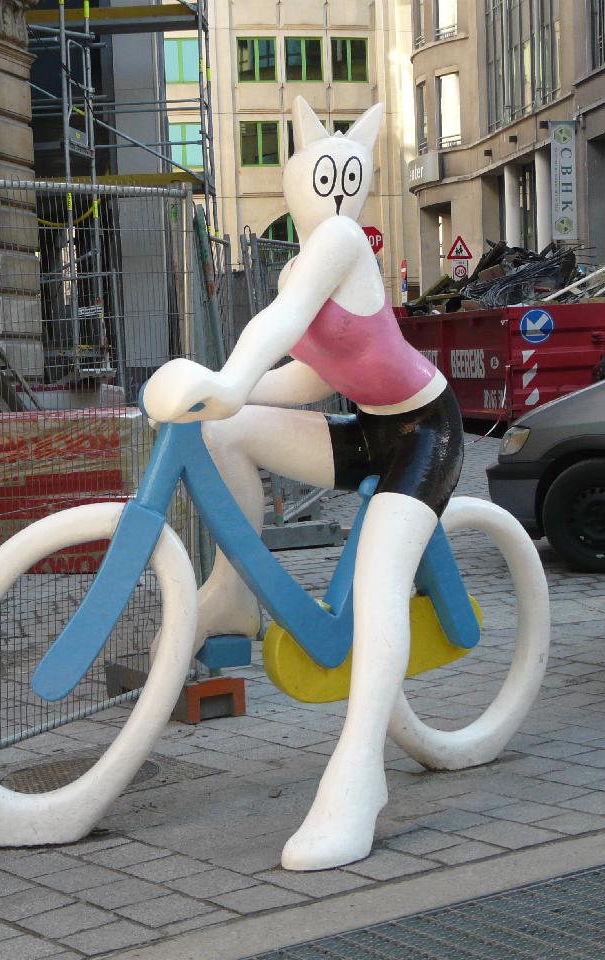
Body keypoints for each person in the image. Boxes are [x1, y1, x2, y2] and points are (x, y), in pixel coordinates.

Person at [142, 97, 463, 871]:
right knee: (224, 433)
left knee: (380, 583)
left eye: (349, 178)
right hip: (366, 430)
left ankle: (360, 777)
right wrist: (230, 398)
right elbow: (310, 377)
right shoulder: (301, 265)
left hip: (425, 431)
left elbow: (278, 325)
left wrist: (229, 378)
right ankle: (233, 592)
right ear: (297, 181)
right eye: (324, 179)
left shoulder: (344, 243)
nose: (337, 193)